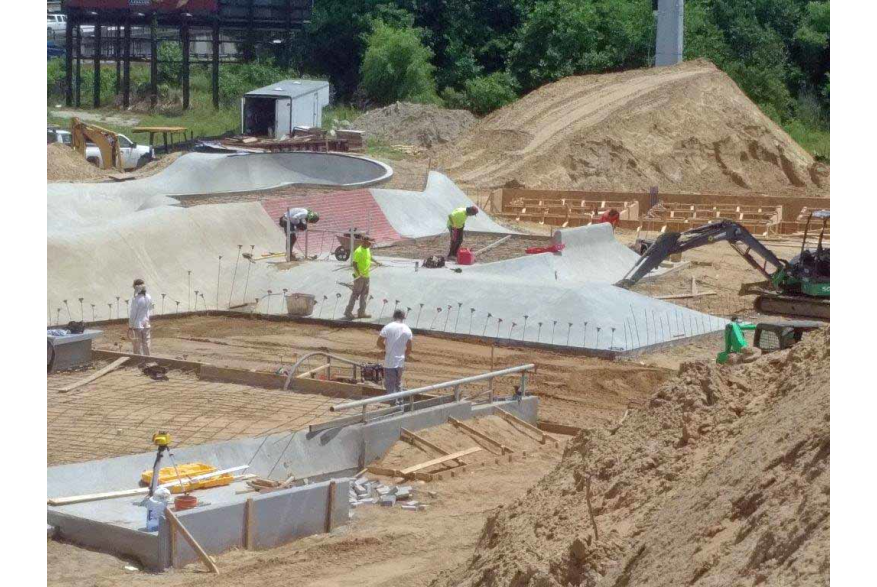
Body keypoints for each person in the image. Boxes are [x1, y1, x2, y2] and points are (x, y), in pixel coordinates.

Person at [378, 310, 414, 394]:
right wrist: (403, 356)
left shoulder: (388, 327)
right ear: (403, 318)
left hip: (390, 362)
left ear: (394, 316)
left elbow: (379, 343)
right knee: (397, 384)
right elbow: (409, 349)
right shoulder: (407, 330)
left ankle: (394, 404)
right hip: (400, 362)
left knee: (390, 385)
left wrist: (387, 350)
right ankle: (400, 403)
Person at [344, 237, 374, 320]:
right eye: (368, 243)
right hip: (359, 277)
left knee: (364, 295)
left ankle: (361, 312)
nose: (369, 245)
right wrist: (359, 273)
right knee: (355, 294)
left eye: (370, 243)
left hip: (366, 276)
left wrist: (376, 262)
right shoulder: (358, 251)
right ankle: (348, 312)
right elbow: (354, 263)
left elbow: (369, 257)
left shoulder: (367, 249)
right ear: (364, 242)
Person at [129, 279, 153, 357]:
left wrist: (130, 326)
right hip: (146, 323)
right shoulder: (148, 297)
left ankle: (137, 360)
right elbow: (150, 309)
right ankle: (148, 359)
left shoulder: (135, 299)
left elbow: (133, 314)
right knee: (146, 343)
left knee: (137, 343)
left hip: (137, 324)